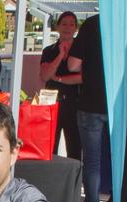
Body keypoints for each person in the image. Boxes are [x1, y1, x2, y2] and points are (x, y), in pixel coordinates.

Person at [66, 14, 127, 202]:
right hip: (123, 105)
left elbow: (73, 65)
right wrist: (125, 98)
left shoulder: (93, 24)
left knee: (92, 161)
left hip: (92, 102)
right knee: (123, 159)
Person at [39, 11, 82, 159]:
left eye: (71, 24)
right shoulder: (49, 50)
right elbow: (45, 75)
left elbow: (83, 78)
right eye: (64, 24)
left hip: (75, 103)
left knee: (75, 148)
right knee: (50, 148)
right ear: (57, 27)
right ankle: (51, 181)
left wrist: (58, 78)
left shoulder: (82, 51)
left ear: (76, 28)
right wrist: (60, 56)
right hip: (52, 103)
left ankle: (75, 181)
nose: (67, 27)